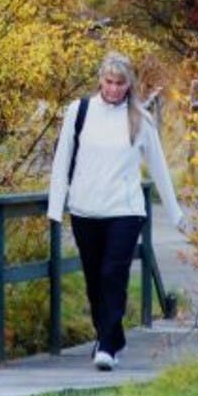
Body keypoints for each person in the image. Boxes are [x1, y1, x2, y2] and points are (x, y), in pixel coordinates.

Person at [46, 51, 183, 370]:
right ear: (100, 81)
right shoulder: (78, 112)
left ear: (128, 85)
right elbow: (62, 159)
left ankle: (107, 345)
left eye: (120, 83)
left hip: (125, 210)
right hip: (85, 208)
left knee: (113, 273)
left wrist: (175, 213)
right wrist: (56, 206)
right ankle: (110, 334)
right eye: (108, 82)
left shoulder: (140, 119)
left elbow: (159, 168)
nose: (113, 89)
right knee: (94, 279)